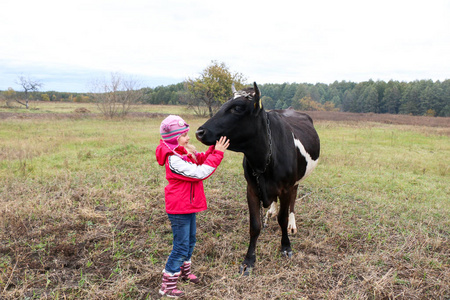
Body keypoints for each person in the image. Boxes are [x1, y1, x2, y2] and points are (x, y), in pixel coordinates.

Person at [155, 115, 230, 298]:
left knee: (190, 241)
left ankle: (183, 272)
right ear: (174, 138)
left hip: (188, 206)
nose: (188, 138)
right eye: (184, 135)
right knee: (180, 246)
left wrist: (213, 148)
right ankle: (167, 285)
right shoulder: (174, 160)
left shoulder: (183, 152)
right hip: (179, 209)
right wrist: (218, 154)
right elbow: (199, 173)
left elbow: (201, 159)